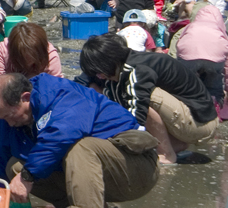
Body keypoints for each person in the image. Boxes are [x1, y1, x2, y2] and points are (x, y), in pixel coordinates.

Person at [0, 72, 159, 208]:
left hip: (136, 168)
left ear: (25, 98)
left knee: (80, 147)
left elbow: (63, 134)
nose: (9, 122)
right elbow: (0, 158)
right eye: (3, 118)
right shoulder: (9, 120)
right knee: (15, 166)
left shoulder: (60, 94)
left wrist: (27, 176)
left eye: (10, 115)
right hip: (95, 172)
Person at [79, 33, 218, 166]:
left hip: (200, 123)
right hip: (187, 117)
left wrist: (123, 145)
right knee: (102, 88)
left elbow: (136, 116)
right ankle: (175, 144)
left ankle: (166, 154)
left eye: (99, 72)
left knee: (146, 98)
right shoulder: (123, 62)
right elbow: (82, 81)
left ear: (109, 62)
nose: (99, 76)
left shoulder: (138, 71)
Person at [0, 20, 62, 105]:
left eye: (33, 55)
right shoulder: (1, 51)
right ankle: (2, 114)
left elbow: (56, 87)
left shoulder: (49, 53)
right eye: (24, 56)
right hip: (9, 88)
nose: (29, 60)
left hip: (37, 91)